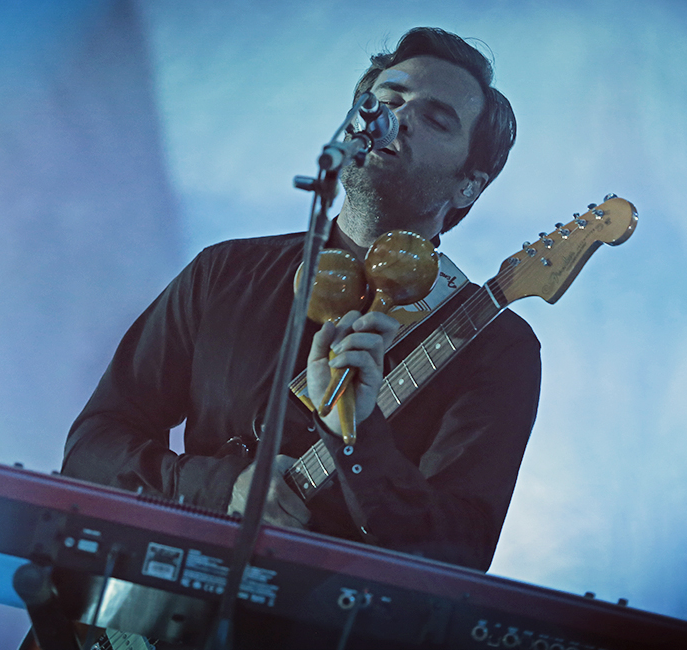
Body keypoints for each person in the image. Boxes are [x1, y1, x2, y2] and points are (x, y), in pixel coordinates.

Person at [61, 27, 540, 572]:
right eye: (385, 101)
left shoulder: (493, 346)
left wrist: (357, 445)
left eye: (436, 119)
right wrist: (221, 488)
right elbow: (91, 450)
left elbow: (460, 553)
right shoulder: (226, 272)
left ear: (468, 187)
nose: (398, 118)